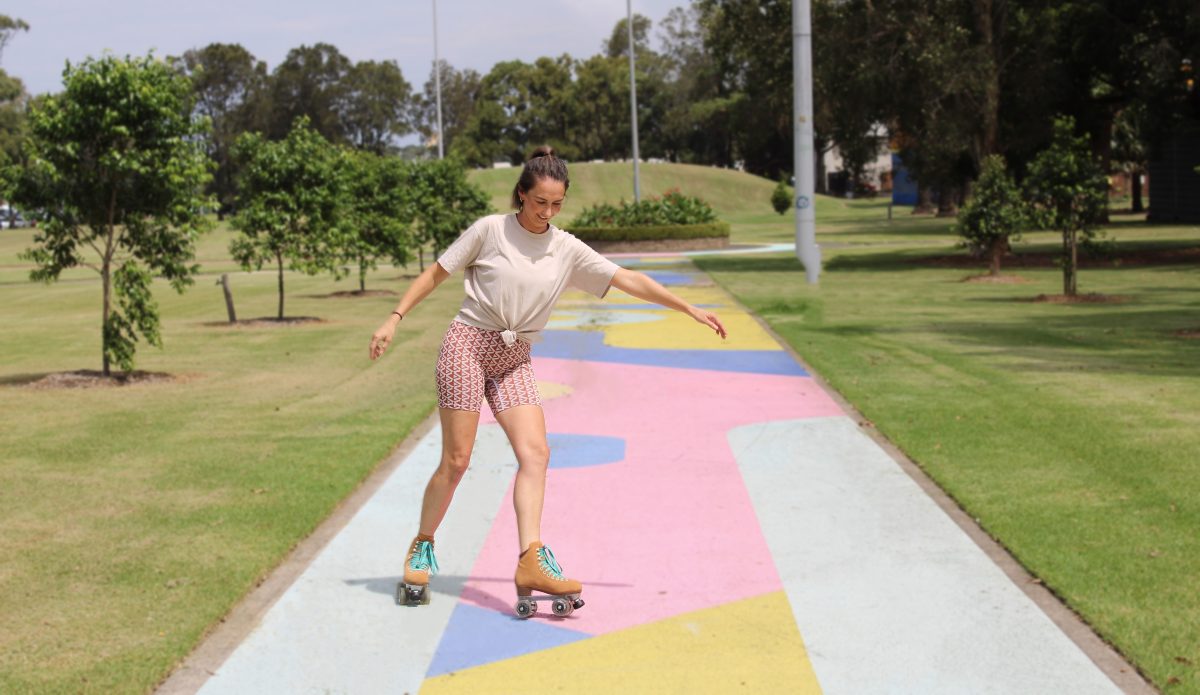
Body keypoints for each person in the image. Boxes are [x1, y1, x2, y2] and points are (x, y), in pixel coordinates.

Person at [369, 146, 727, 617]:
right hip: (468, 345)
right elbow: (437, 273)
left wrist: (688, 308)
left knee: (536, 453)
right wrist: (395, 317)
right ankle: (422, 544)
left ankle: (531, 559)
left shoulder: (566, 247)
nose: (548, 212)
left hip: (514, 356)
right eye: (540, 202)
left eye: (557, 204)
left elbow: (628, 278)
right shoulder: (490, 230)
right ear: (522, 194)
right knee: (456, 461)